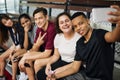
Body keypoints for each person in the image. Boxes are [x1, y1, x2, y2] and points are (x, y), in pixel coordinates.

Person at [46, 5, 120, 80]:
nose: (78, 28)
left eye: (81, 23)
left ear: (88, 21)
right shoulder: (79, 43)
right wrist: (55, 76)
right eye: (75, 26)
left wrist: (119, 25)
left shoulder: (99, 34)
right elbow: (74, 68)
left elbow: (114, 36)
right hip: (85, 75)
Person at [36, 12, 81, 80]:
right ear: (59, 26)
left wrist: (61, 70)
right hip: (62, 62)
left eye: (67, 21)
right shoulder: (58, 36)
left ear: (71, 22)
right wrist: (48, 64)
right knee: (41, 74)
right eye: (61, 22)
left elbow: (79, 63)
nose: (65, 24)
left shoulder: (79, 37)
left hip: (75, 65)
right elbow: (56, 55)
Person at [19, 7, 56, 80]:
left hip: (54, 55)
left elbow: (47, 53)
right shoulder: (39, 28)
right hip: (44, 52)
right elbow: (34, 49)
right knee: (27, 59)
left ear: (46, 17)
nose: (38, 21)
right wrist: (37, 45)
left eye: (40, 18)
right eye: (36, 19)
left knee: (36, 62)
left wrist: (25, 57)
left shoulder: (51, 28)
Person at [11, 13, 37, 80]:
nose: (25, 24)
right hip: (30, 48)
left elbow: (35, 47)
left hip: (36, 49)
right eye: (23, 23)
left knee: (25, 61)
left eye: (26, 21)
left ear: (30, 20)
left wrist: (25, 54)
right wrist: (26, 32)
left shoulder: (36, 28)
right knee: (14, 57)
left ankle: (26, 75)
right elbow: (25, 46)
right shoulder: (25, 30)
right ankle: (17, 76)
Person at [0, 14, 21, 80]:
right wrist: (12, 49)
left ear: (9, 18)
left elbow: (21, 42)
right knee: (1, 58)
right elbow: (15, 41)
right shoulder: (10, 28)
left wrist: (13, 51)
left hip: (21, 47)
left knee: (13, 58)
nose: (8, 22)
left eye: (7, 19)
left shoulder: (18, 25)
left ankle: (13, 78)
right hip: (15, 46)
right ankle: (2, 76)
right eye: (5, 23)